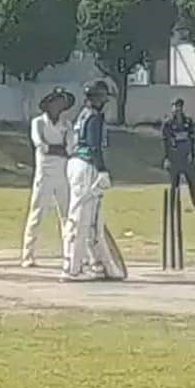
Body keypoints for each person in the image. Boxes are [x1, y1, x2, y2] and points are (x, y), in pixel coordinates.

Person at [62, 80, 116, 281]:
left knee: (89, 220)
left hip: (75, 163)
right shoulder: (94, 117)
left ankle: (96, 264)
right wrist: (101, 170)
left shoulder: (82, 115)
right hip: (86, 165)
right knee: (82, 220)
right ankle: (73, 268)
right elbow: (95, 147)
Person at [21, 87, 76, 268]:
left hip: (62, 173)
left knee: (67, 215)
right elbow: (41, 146)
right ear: (49, 104)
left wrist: (57, 149)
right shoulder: (38, 122)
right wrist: (57, 148)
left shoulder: (67, 125)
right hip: (44, 174)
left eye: (62, 102)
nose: (59, 105)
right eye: (56, 101)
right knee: (37, 213)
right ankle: (28, 254)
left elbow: (69, 149)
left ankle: (70, 254)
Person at [162, 97, 195, 211]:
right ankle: (173, 207)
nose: (177, 109)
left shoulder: (188, 122)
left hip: (186, 158)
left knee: (194, 181)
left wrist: (191, 154)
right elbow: (166, 142)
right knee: (174, 185)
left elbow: (191, 139)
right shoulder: (168, 124)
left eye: (179, 106)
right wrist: (166, 158)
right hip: (174, 158)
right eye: (175, 106)